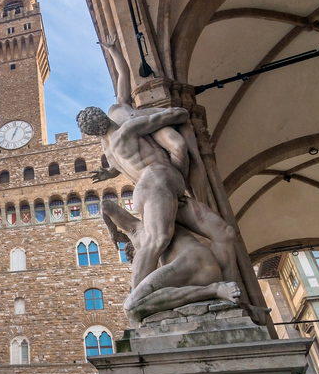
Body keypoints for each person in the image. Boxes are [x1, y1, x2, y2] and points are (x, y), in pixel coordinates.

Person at [77, 104, 239, 295]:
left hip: (169, 191)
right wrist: (139, 114)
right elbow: (178, 114)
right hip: (156, 185)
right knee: (157, 240)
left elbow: (117, 167)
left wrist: (108, 174)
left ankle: (230, 297)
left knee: (225, 233)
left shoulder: (108, 150)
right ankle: (136, 300)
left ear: (94, 133)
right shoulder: (127, 129)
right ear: (103, 114)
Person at [97, 35, 210, 207]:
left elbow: (123, 74)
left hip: (153, 124)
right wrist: (108, 174)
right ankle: (181, 189)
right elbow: (116, 163)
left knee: (179, 146)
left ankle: (183, 185)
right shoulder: (108, 143)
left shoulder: (118, 107)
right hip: (147, 139)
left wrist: (113, 50)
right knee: (178, 148)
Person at [101, 200, 240, 323]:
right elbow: (106, 206)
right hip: (200, 267)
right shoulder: (148, 227)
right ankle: (214, 290)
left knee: (131, 306)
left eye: (132, 258)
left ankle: (214, 290)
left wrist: (113, 233)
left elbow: (137, 290)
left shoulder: (142, 235)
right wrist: (112, 231)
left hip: (194, 262)